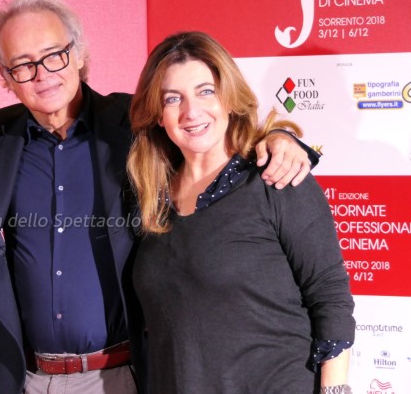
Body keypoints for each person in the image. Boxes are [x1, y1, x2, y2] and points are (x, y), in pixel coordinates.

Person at [0, 0, 317, 394]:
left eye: (55, 55)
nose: (43, 74)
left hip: (123, 375)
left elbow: (208, 138)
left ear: (79, 55)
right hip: (26, 378)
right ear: (7, 80)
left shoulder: (134, 125)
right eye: (23, 65)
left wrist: (281, 140)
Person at [127, 31, 355, 393]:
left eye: (206, 91)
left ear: (229, 98)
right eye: (173, 98)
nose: (192, 112)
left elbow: (329, 296)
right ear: (157, 114)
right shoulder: (152, 198)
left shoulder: (276, 178)